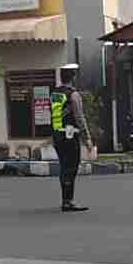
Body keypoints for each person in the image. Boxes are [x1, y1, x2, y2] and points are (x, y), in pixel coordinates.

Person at [50, 63, 94, 212]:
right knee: (71, 168)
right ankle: (68, 201)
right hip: (70, 135)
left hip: (57, 135)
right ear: (73, 77)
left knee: (64, 167)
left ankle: (66, 200)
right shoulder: (73, 95)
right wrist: (87, 138)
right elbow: (79, 117)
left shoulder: (55, 93)